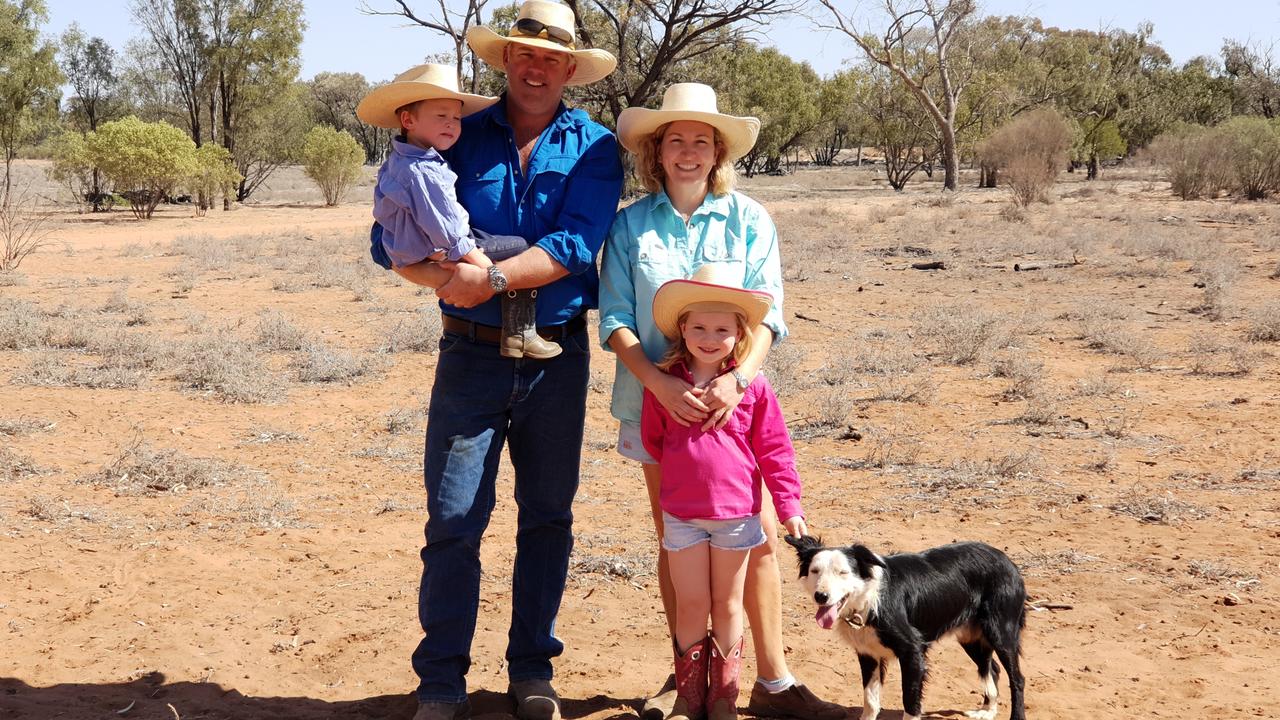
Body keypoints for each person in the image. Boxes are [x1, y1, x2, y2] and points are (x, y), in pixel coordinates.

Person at [368, 3, 623, 719]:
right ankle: (441, 680)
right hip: (469, 355)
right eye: (522, 53)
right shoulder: (450, 133)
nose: (535, 66)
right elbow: (387, 237)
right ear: (503, 61)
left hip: (556, 360)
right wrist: (442, 278)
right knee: (453, 518)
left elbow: (578, 244)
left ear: (570, 68)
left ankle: (531, 670)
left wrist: (493, 276)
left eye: (550, 57)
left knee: (547, 515)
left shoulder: (596, 147)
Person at [598, 83, 845, 720]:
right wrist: (659, 382)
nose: (688, 151)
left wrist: (738, 381)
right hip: (657, 406)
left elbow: (768, 315)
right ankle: (691, 678)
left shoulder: (749, 218)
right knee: (675, 542)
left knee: (759, 539)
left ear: (717, 152)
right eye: (674, 140)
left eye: (700, 141)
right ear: (656, 152)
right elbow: (617, 316)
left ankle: (772, 680)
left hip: (736, 411)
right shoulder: (631, 224)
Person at [641, 269, 810, 720]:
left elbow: (775, 450)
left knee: (728, 603)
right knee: (692, 602)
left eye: (722, 329)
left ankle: (723, 700)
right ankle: (688, 698)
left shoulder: (751, 387)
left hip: (737, 516)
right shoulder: (663, 386)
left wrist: (789, 505)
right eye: (699, 327)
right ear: (682, 328)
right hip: (682, 515)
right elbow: (654, 444)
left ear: (741, 333)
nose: (710, 338)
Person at [358, 63, 562, 359]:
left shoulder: (401, 161)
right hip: (431, 246)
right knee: (519, 248)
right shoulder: (423, 170)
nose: (452, 124)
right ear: (408, 119)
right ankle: (521, 331)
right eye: (441, 116)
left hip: (408, 245)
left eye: (456, 117)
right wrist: (488, 272)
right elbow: (449, 232)